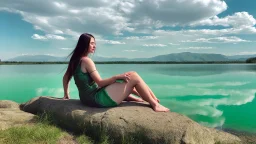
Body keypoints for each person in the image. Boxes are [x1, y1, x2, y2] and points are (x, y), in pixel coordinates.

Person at [62, 33, 169, 112]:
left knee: (128, 79)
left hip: (85, 99)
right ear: (85, 45)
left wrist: (66, 94)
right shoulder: (86, 61)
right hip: (96, 99)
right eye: (92, 43)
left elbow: (66, 77)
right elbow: (100, 83)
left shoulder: (75, 60)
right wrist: (116, 77)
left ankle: (149, 98)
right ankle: (155, 103)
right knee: (134, 76)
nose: (94, 46)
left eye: (95, 43)